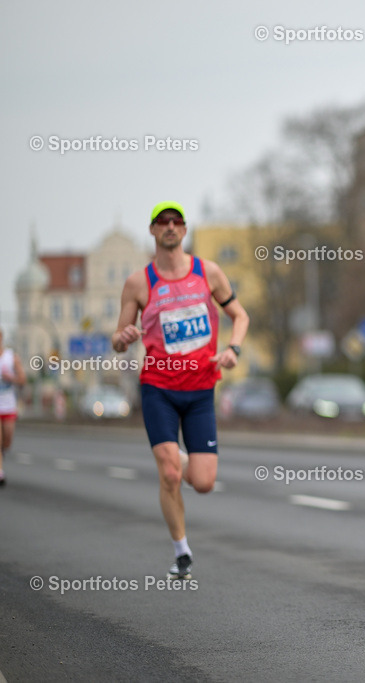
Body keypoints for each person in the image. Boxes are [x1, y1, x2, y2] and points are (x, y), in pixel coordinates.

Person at [112, 201, 249, 580]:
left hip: (201, 388)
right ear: (153, 231)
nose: (170, 227)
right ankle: (181, 551)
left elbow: (240, 315)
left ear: (184, 230)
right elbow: (119, 340)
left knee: (203, 483)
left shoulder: (209, 273)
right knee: (169, 474)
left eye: (177, 221)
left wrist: (233, 349)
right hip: (158, 387)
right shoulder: (140, 283)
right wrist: (123, 337)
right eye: (162, 222)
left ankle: (181, 458)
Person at [0, 329, 27, 487]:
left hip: (9, 406)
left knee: (7, 441)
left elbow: (23, 379)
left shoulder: (11, 357)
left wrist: (12, 378)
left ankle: (3, 451)